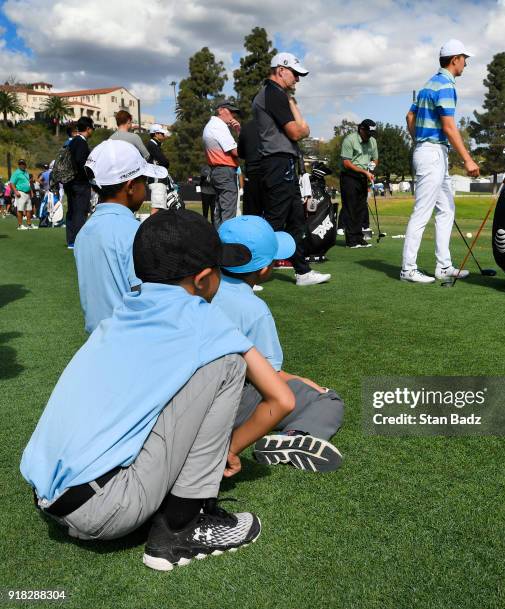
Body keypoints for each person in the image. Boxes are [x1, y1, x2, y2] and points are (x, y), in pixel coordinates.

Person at [21, 208, 295, 572]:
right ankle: (181, 528)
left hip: (49, 495)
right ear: (203, 279)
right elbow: (282, 398)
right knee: (229, 363)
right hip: (105, 509)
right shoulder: (206, 319)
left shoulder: (124, 309)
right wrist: (227, 449)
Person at [214, 216, 344, 471]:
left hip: (186, 401)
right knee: (327, 399)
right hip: (230, 403)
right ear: (264, 269)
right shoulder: (254, 309)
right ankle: (296, 437)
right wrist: (302, 381)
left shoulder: (196, 288)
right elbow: (269, 374)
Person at [401, 39, 480, 283]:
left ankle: (443, 266)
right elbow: (448, 127)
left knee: (447, 209)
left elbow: (409, 115)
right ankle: (408, 269)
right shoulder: (445, 85)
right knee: (422, 212)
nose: (466, 63)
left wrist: (419, 140)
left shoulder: (428, 84)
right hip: (432, 154)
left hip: (431, 152)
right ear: (454, 59)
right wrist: (468, 160)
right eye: (464, 58)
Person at [252, 52, 330, 287]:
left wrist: (293, 105)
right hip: (277, 163)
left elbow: (300, 126)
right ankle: (249, 271)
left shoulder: (278, 95)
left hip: (283, 163)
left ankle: (302, 271)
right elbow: (297, 131)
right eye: (295, 74)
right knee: (275, 220)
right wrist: (303, 127)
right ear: (280, 70)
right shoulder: (273, 93)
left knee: (296, 220)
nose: (298, 79)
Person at [74, 139, 168, 333]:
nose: (147, 186)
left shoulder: (84, 231)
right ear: (131, 186)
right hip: (131, 341)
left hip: (98, 340)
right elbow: (146, 296)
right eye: (145, 180)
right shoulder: (134, 232)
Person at [340, 119, 379, 248]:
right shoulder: (350, 140)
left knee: (361, 208)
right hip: (349, 176)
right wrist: (364, 171)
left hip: (363, 177)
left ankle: (358, 237)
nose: (370, 136)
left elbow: (375, 158)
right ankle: (351, 240)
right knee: (350, 208)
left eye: (371, 133)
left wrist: (372, 167)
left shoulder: (372, 141)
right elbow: (346, 162)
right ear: (361, 130)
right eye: (368, 133)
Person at [202, 101, 241, 228]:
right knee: (228, 210)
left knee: (220, 209)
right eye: (231, 112)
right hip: (224, 171)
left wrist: (238, 131)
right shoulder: (218, 126)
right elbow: (236, 151)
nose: (233, 116)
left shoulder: (213, 125)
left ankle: (219, 240)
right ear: (220, 110)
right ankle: (226, 242)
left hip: (218, 171)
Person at [65, 116, 95, 248]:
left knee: (72, 211)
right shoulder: (81, 142)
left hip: (70, 182)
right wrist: (89, 177)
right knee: (80, 211)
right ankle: (78, 241)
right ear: (88, 129)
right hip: (80, 183)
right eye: (92, 128)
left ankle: (71, 240)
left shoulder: (73, 141)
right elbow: (80, 162)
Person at [238, 119, 264, 217]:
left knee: (251, 214)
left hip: (252, 173)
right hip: (270, 172)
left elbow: (241, 153)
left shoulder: (246, 127)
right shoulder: (275, 124)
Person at [146, 124, 171, 215]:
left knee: (160, 208)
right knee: (157, 208)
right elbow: (164, 162)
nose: (164, 136)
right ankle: (150, 228)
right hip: (157, 180)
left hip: (158, 179)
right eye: (162, 134)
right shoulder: (152, 145)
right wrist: (166, 162)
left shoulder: (155, 145)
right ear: (156, 134)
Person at [8, 159, 38, 230]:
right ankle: (20, 225)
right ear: (19, 165)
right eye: (20, 164)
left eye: (23, 164)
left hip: (28, 193)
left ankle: (29, 224)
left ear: (25, 165)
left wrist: (31, 192)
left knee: (29, 209)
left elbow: (28, 183)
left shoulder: (26, 172)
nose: (22, 165)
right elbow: (11, 183)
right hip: (20, 193)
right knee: (20, 209)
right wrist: (15, 191)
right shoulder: (16, 173)